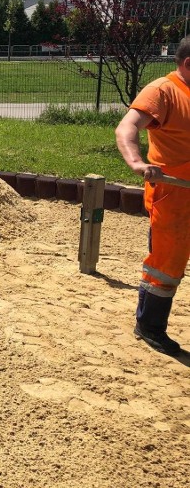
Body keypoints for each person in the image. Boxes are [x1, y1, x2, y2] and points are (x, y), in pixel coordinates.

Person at [115, 35, 190, 355]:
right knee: (166, 262)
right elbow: (127, 128)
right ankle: (150, 326)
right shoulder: (164, 91)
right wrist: (136, 162)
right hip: (174, 192)